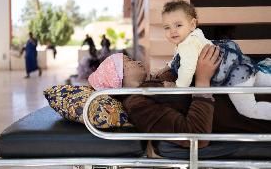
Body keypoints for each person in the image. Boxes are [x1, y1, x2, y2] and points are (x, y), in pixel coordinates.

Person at [88, 45, 271, 148]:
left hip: (252, 84)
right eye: (128, 62)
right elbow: (195, 136)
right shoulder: (138, 105)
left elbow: (172, 81)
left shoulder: (150, 85)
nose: (136, 61)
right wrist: (202, 81)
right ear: (120, 78)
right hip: (253, 113)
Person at [154, 0, 271, 120]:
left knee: (249, 109)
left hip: (235, 78)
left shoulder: (187, 45)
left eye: (178, 25)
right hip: (242, 66)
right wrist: (167, 66)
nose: (173, 30)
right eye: (167, 27)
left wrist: (178, 87)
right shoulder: (195, 36)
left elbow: (187, 69)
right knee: (262, 80)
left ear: (192, 24)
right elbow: (177, 57)